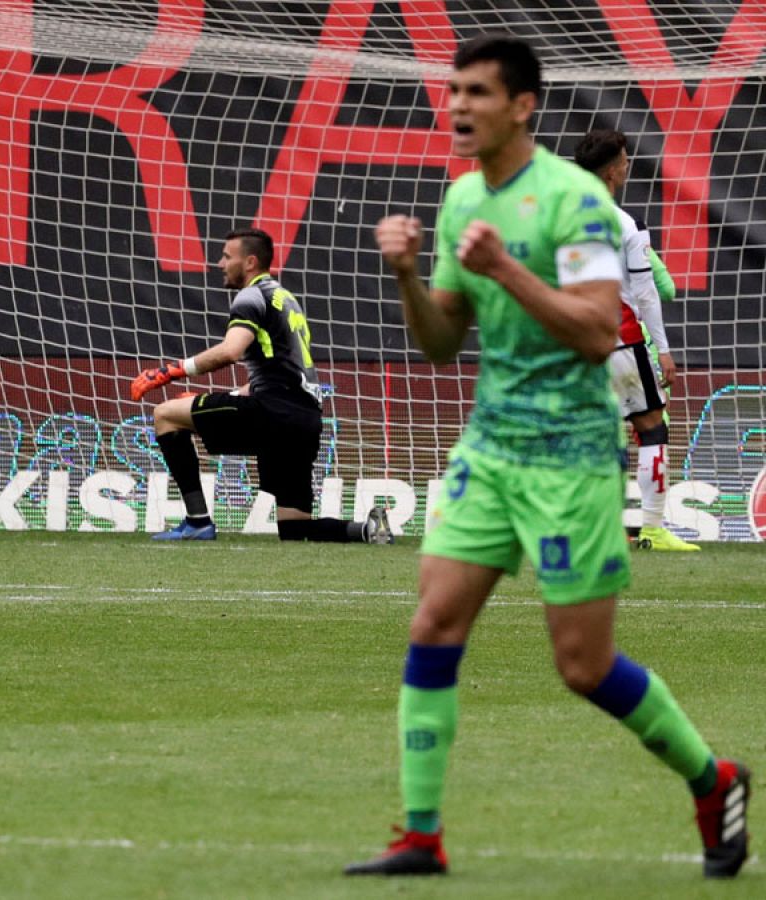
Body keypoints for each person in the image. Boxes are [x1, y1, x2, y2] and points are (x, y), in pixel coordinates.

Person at [348, 35, 747, 878]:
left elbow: (600, 330)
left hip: (569, 457)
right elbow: (441, 345)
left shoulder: (575, 202)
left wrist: (504, 269)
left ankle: (712, 780)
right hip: (491, 449)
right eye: (455, 92)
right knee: (432, 622)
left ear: (523, 106)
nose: (459, 107)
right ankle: (421, 832)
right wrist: (410, 278)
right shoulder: (462, 203)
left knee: (583, 666)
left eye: (478, 93)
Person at [129, 228, 393, 544]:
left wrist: (171, 371)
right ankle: (367, 530)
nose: (220, 263)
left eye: (227, 256)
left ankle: (197, 521)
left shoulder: (251, 296)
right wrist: (220, 397)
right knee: (295, 529)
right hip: (305, 421)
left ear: (250, 261)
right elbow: (276, 373)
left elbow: (230, 350)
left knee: (165, 415)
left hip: (273, 413)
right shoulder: (286, 300)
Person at [572, 129, 698, 551]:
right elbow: (645, 294)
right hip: (621, 341)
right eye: (625, 159)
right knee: (651, 428)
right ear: (611, 171)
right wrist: (663, 350)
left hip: (573, 344)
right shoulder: (625, 223)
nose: (628, 165)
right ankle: (652, 528)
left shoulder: (560, 216)